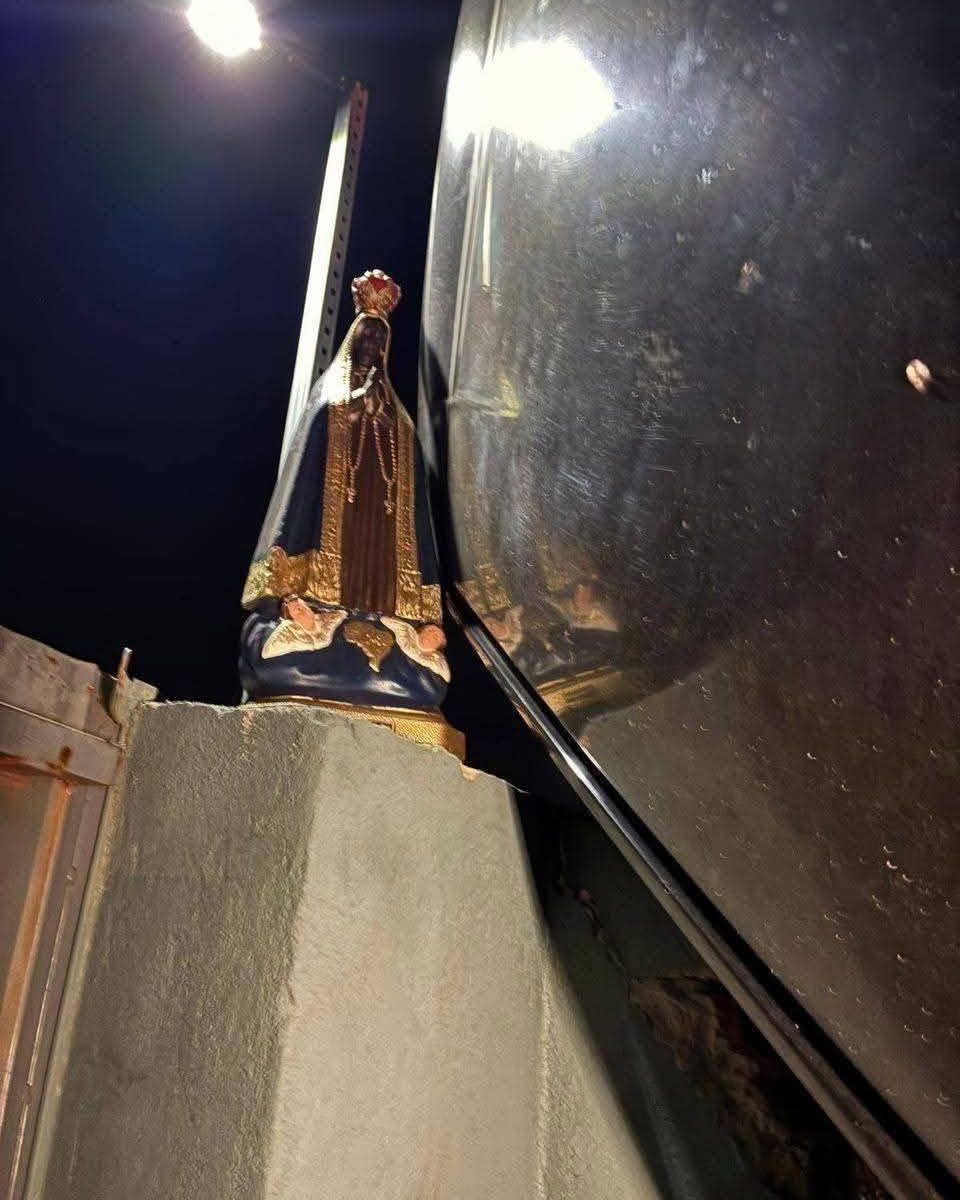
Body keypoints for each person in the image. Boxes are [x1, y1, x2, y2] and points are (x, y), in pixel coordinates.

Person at [239, 270, 450, 712]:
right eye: (366, 339)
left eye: (380, 342)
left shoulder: (402, 429)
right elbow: (298, 502)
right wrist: (288, 599)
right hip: (323, 598)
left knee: (431, 678)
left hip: (385, 595)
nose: (372, 350)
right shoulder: (327, 412)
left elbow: (418, 526)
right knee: (274, 653)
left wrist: (427, 620)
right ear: (354, 343)